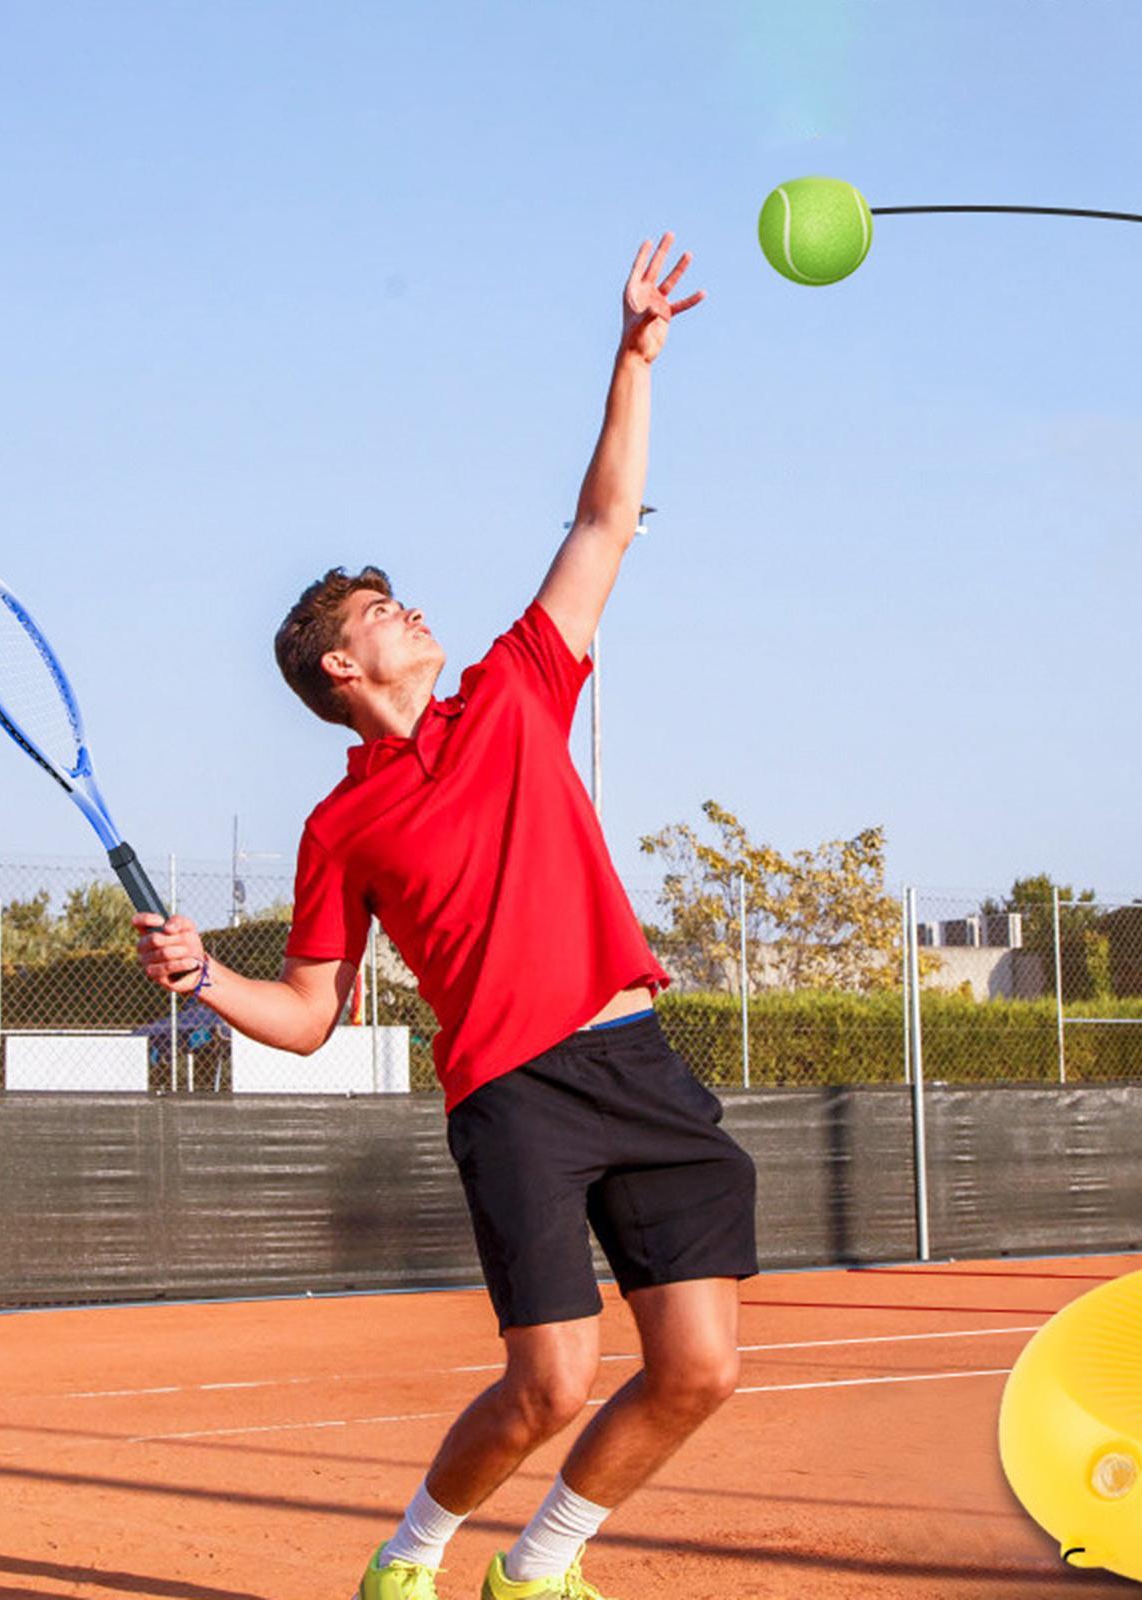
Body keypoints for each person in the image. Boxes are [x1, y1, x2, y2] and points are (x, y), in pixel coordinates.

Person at [133, 233, 759, 1600]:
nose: (408, 610)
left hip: (635, 1057)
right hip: (515, 1096)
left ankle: (539, 1569)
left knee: (701, 1364)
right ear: (342, 667)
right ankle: (409, 1560)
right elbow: (309, 1018)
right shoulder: (337, 826)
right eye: (378, 610)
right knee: (549, 1382)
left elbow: (601, 526)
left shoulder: (517, 690)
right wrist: (205, 979)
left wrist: (635, 359)